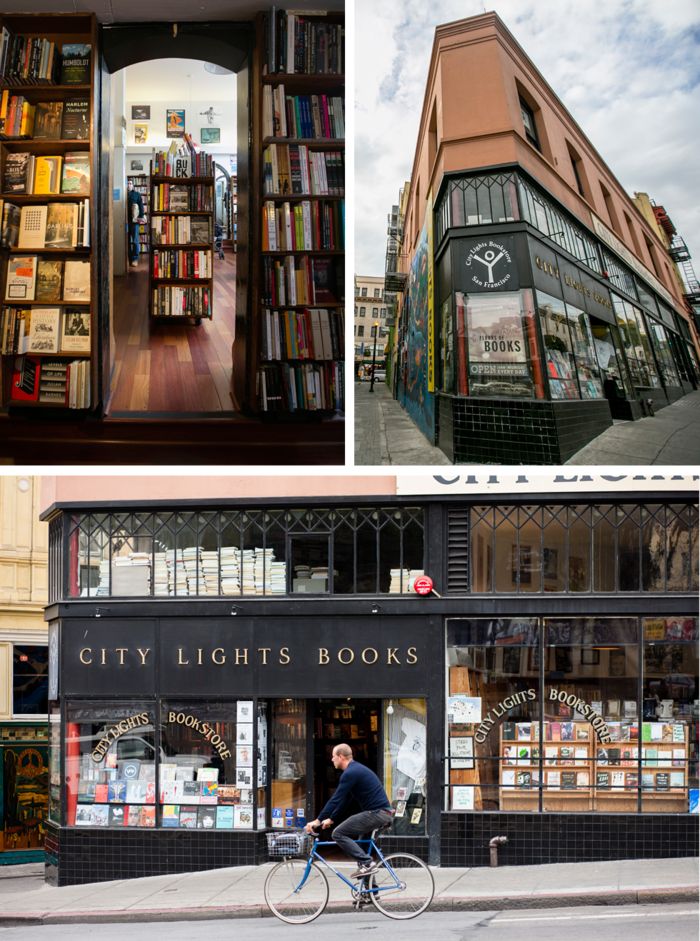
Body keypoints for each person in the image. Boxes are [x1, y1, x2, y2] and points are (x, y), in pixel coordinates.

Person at [304, 743, 393, 878]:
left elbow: (335, 799)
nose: (331, 759)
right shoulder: (355, 770)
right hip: (381, 814)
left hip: (377, 814)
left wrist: (318, 820)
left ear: (340, 757)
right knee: (361, 851)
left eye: (333, 756)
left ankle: (368, 863)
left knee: (338, 833)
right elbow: (345, 799)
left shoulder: (350, 773)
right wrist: (332, 818)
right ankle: (369, 893)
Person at [127, 179, 145, 267]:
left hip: (134, 222)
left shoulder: (137, 194)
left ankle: (134, 259)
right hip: (124, 222)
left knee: (135, 241)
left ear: (133, 185)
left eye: (130, 183)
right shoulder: (124, 194)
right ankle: (128, 258)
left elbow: (141, 206)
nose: (129, 185)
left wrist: (140, 217)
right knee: (126, 241)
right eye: (127, 183)